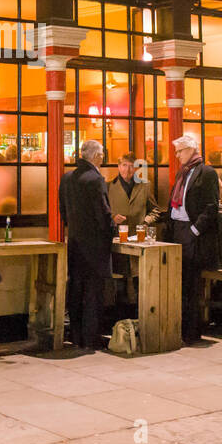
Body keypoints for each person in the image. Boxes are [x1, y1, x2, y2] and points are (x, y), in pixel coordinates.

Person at [60, 139, 115, 352]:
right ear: (95, 157)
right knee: (93, 292)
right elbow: (103, 212)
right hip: (94, 245)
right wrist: (111, 233)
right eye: (101, 155)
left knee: (75, 288)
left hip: (74, 242)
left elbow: (62, 210)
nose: (102, 158)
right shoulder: (95, 179)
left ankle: (75, 335)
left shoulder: (66, 178)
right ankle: (90, 337)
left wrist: (74, 228)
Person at [168, 134, 221, 345]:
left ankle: (191, 332)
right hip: (178, 231)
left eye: (180, 151)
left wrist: (194, 230)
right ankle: (180, 329)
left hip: (192, 234)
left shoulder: (205, 172)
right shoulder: (183, 172)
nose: (177, 154)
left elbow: (211, 206)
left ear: (191, 149)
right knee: (180, 283)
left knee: (191, 284)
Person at [107, 152, 161, 234]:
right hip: (116, 235)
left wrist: (145, 222)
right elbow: (101, 211)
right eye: (124, 165)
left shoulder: (145, 186)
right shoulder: (108, 186)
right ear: (118, 166)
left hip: (139, 235)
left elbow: (155, 210)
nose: (127, 170)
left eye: (131, 166)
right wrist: (113, 219)